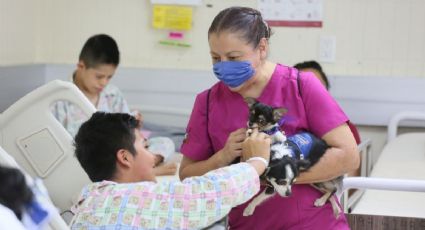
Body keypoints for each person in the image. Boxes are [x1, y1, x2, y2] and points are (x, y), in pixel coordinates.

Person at [179, 7, 359, 229]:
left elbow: (349, 156)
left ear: (262, 47)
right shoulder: (207, 102)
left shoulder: (302, 87)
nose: (223, 66)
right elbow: (187, 176)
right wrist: (223, 158)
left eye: (234, 57)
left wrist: (265, 171)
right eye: (216, 58)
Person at [69, 112, 271, 229]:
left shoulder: (88, 203)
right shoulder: (131, 199)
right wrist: (257, 161)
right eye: (146, 147)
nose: (151, 156)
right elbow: (204, 193)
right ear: (124, 157)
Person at [50, 34, 176, 176]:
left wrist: (134, 126)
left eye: (109, 77)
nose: (104, 82)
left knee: (165, 143)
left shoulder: (113, 94)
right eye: (99, 76)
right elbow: (60, 145)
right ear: (81, 66)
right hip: (87, 159)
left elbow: (126, 129)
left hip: (120, 153)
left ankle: (141, 168)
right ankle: (144, 170)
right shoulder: (60, 99)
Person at [294, 60, 361, 144]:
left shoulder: (346, 131)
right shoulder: (281, 132)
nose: (311, 95)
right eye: (302, 89)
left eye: (317, 88)